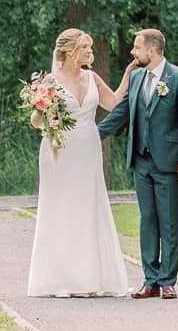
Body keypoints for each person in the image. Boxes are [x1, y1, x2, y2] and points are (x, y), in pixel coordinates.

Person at [26, 27, 137, 298]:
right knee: (61, 208)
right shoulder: (50, 82)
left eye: (90, 47)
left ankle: (89, 278)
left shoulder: (92, 77)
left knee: (88, 208)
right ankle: (60, 279)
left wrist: (127, 76)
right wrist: (47, 114)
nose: (91, 51)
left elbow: (112, 103)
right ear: (70, 52)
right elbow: (35, 121)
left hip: (88, 149)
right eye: (86, 47)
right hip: (59, 152)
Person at [97, 27, 178, 300]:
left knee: (169, 223)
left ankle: (167, 281)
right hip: (141, 162)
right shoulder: (137, 76)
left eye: (137, 48)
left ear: (152, 50)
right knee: (147, 221)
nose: (133, 52)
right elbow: (121, 113)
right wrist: (92, 136)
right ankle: (150, 280)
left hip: (169, 163)